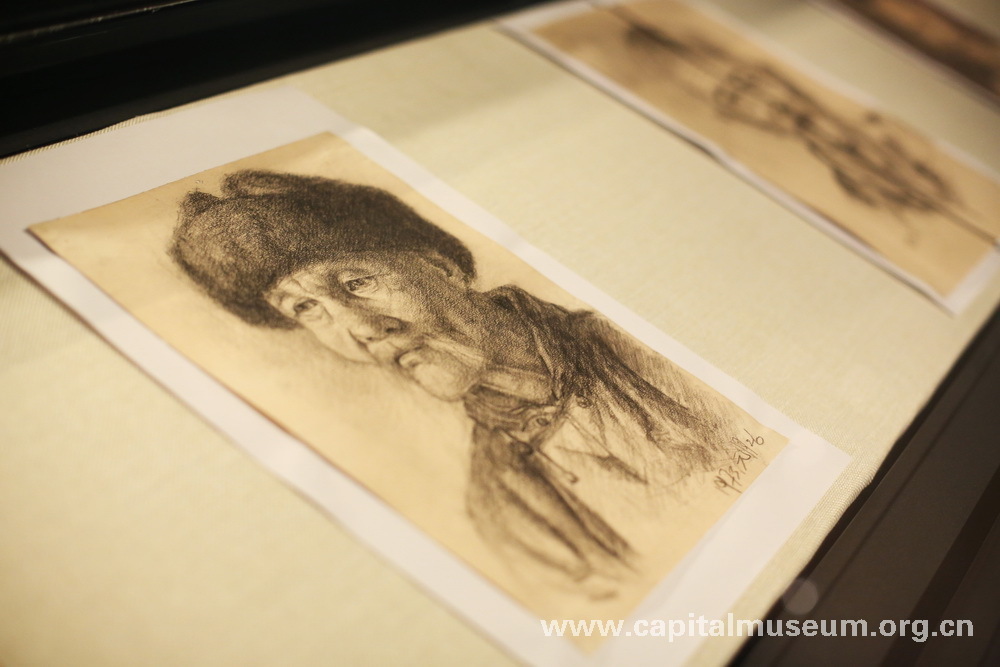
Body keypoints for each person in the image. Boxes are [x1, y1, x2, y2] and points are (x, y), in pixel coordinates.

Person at [170, 170, 734, 597]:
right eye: (305, 309)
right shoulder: (505, 506)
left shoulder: (638, 343)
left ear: (439, 266)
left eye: (356, 282)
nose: (360, 329)